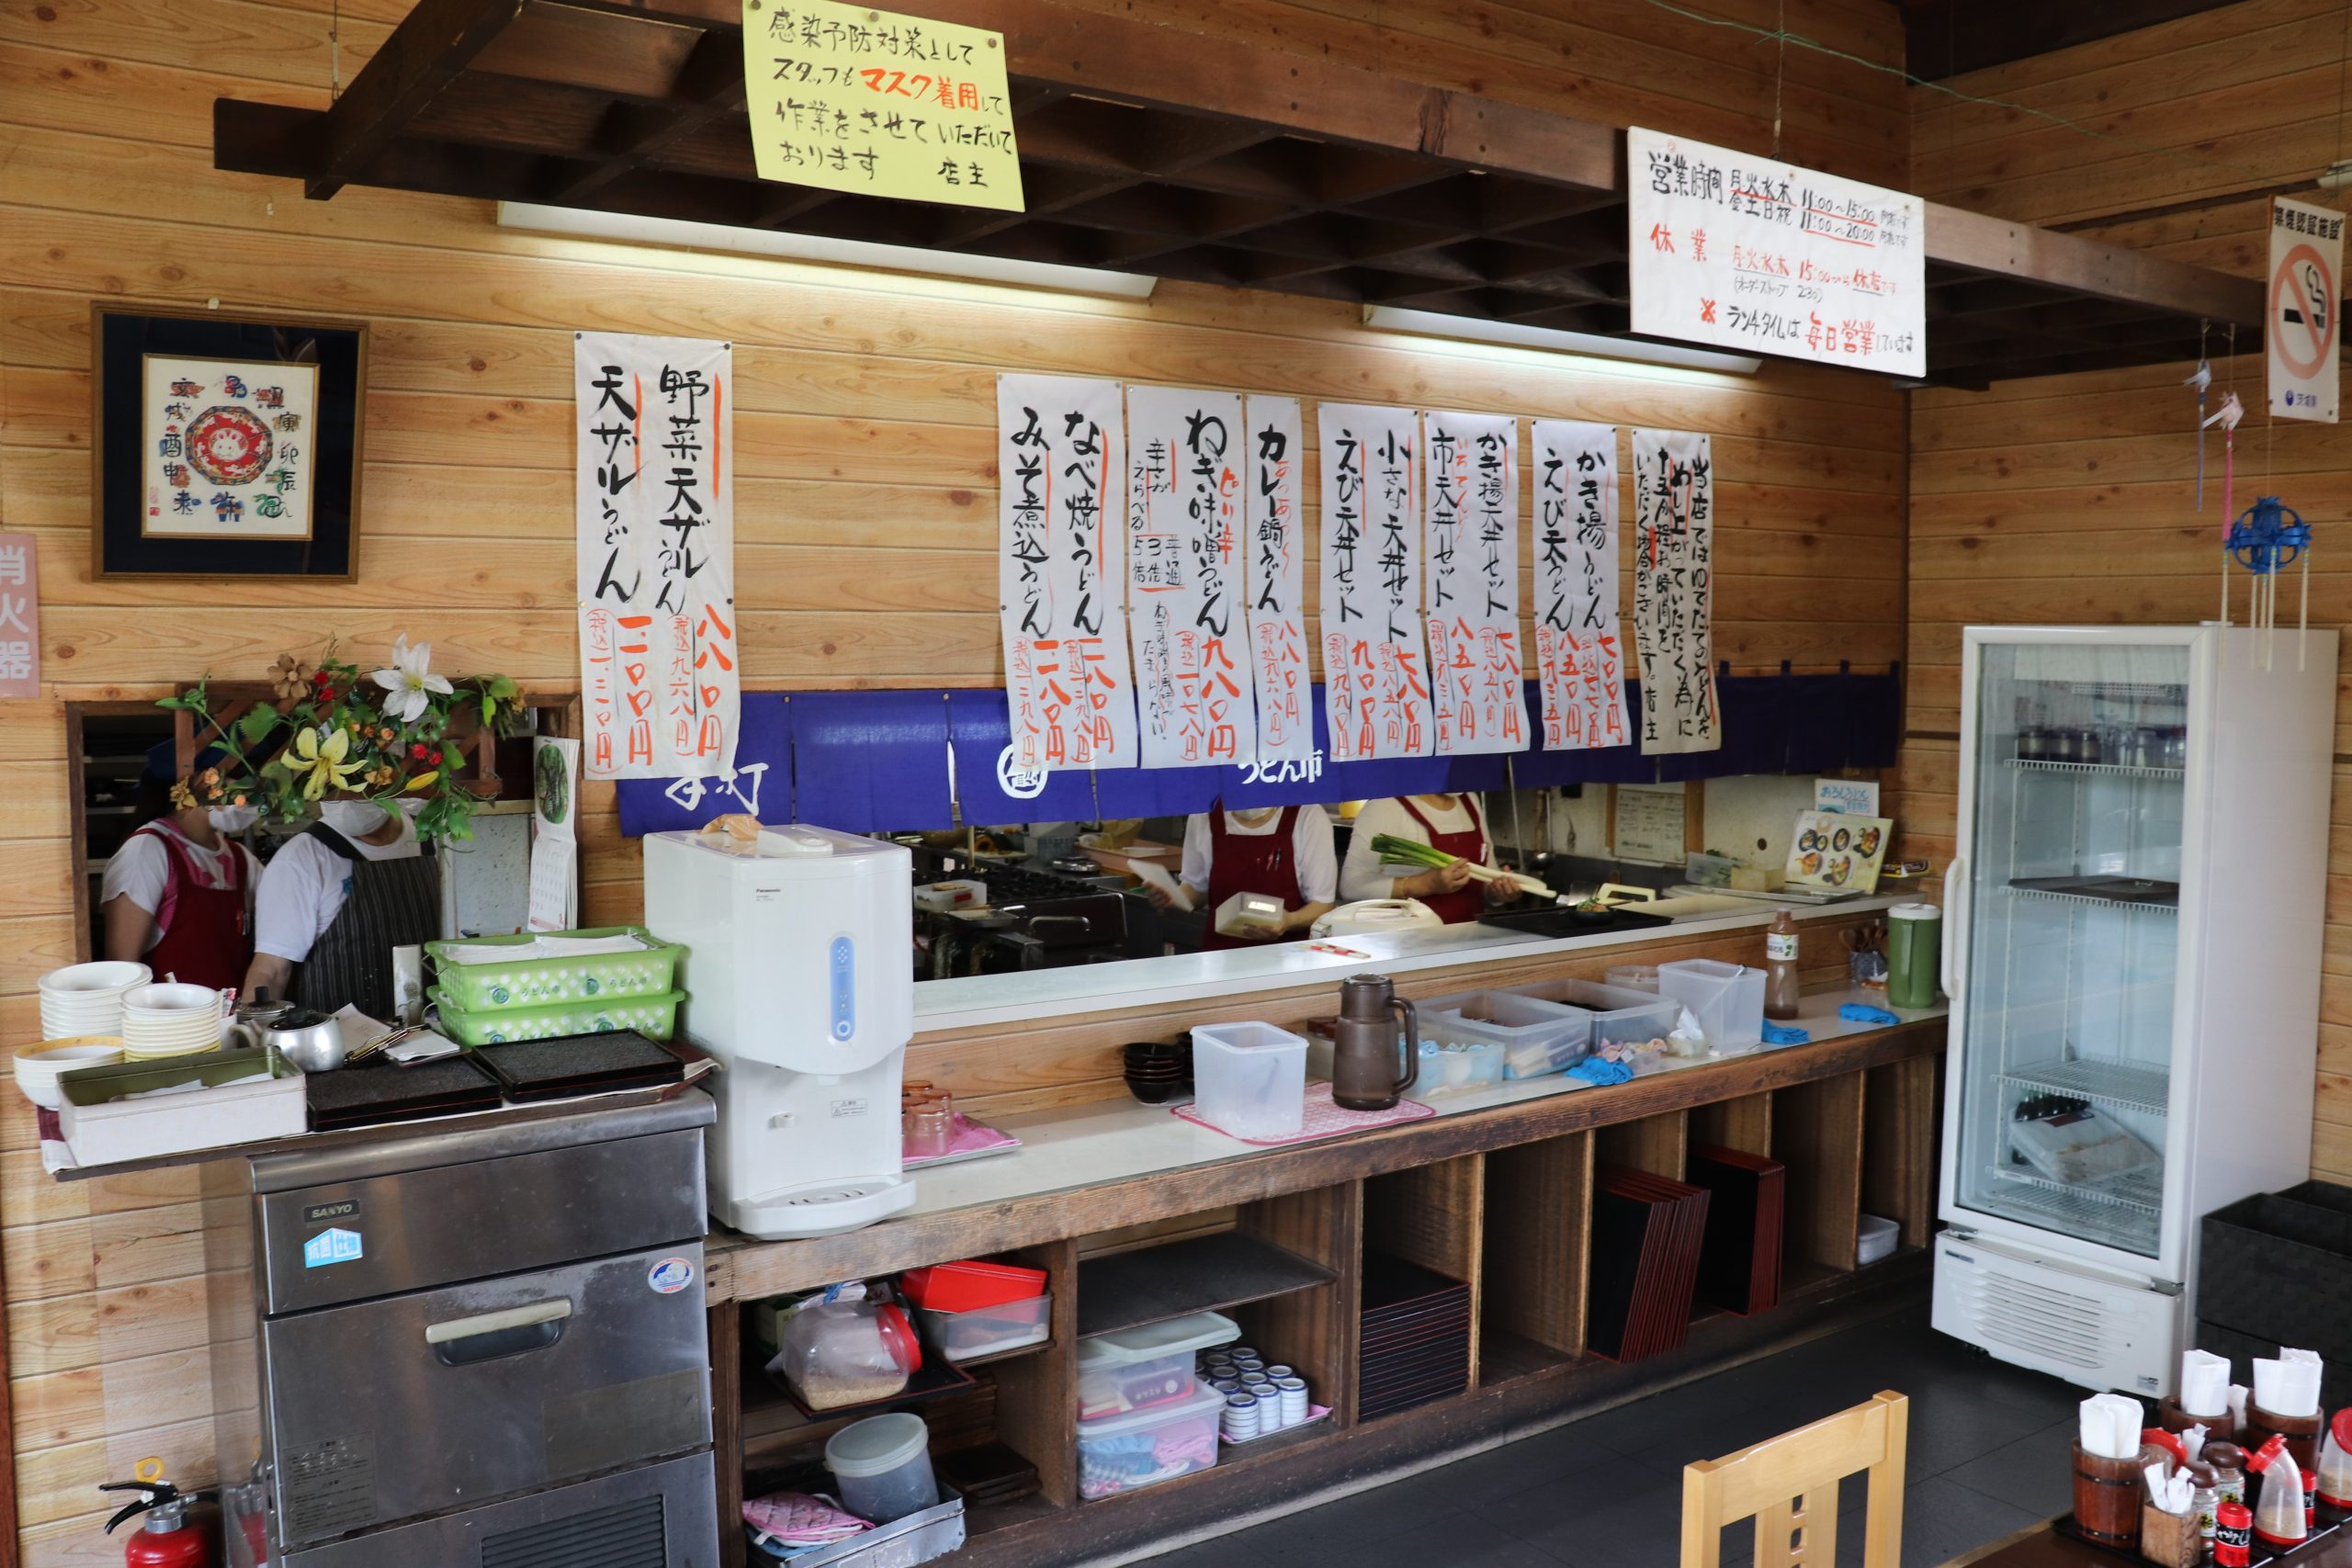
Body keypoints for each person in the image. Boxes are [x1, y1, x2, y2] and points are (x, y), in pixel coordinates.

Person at [245, 800, 440, 1020]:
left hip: (436, 1036)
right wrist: (254, 1039)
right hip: (341, 1046)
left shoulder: (432, 838)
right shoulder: (301, 858)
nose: (346, 797)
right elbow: (270, 971)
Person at [99, 749, 262, 992]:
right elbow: (121, 971)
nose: (250, 792)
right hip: (167, 1024)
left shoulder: (239, 859)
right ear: (201, 782)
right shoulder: (147, 851)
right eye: (240, 777)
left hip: (228, 1024)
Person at [1150, 803, 1337, 948]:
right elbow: (1197, 889)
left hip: (1287, 959)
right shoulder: (1204, 814)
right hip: (1220, 957)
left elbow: (1323, 905)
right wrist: (1174, 897)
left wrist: (1289, 921)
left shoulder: (1308, 815)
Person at [1338, 794, 1514, 925]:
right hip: (1407, 943)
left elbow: (1486, 881)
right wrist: (1426, 884)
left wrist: (1496, 892)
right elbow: (1351, 886)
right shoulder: (1384, 805)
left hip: (1471, 938)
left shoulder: (1470, 800)